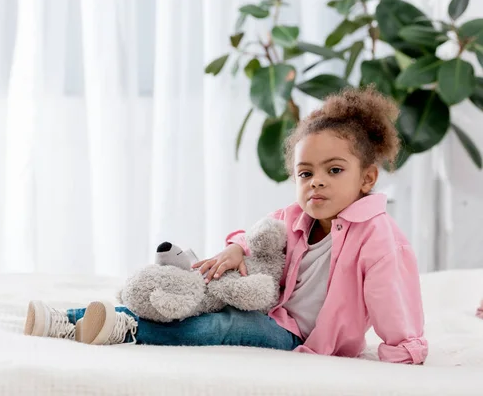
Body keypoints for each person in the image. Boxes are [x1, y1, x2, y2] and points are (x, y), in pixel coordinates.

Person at [23, 86, 428, 364]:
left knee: (219, 326)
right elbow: (257, 236)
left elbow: (391, 296)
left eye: (334, 170)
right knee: (186, 299)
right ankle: (71, 317)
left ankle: (126, 330)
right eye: (305, 173)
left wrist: (404, 348)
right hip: (269, 308)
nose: (316, 181)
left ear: (367, 178)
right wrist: (238, 249)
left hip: (300, 336)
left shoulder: (378, 236)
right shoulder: (298, 217)